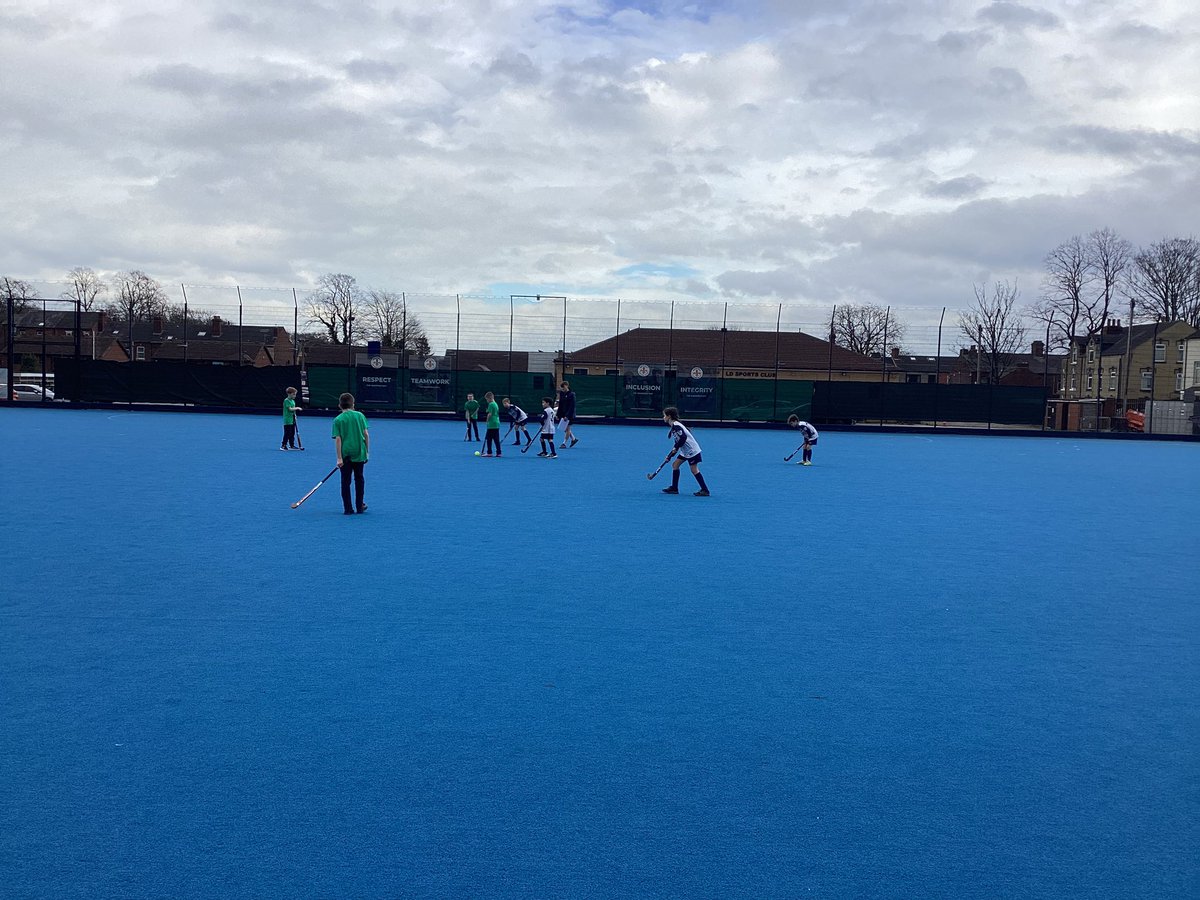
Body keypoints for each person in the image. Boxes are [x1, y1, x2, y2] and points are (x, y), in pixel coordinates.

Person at [332, 392, 370, 515]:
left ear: (340, 405)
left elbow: (338, 439)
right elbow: (366, 435)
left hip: (345, 455)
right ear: (353, 404)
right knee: (359, 479)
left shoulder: (338, 419)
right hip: (360, 452)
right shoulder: (360, 415)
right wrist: (367, 452)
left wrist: (339, 458)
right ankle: (360, 506)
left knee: (345, 481)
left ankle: (348, 508)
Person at [660, 406, 710, 496]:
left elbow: (683, 438)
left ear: (669, 416)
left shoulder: (676, 426)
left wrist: (675, 449)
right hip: (685, 451)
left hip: (692, 451)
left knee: (694, 470)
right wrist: (670, 455)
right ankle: (674, 488)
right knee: (675, 465)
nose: (663, 417)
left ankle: (705, 490)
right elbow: (678, 442)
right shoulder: (675, 425)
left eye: (664, 415)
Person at [556, 381, 578, 448]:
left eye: (563, 388)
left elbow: (572, 406)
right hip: (563, 413)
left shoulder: (572, 394)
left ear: (566, 386)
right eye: (562, 389)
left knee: (567, 428)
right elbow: (560, 405)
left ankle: (564, 443)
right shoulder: (562, 394)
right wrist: (558, 414)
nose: (563, 390)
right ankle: (573, 439)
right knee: (565, 428)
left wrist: (567, 416)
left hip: (569, 414)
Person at [280, 386, 302, 450]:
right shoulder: (286, 401)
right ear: (289, 394)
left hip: (292, 419)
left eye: (295, 394)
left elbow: (293, 410)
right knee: (287, 433)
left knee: (292, 433)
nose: (295, 396)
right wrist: (297, 408)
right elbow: (290, 409)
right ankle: (283, 445)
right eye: (293, 394)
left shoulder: (293, 401)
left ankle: (291, 445)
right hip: (287, 420)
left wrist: (295, 415)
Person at [481, 391, 502, 457]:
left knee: (489, 438)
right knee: (496, 439)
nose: (487, 401)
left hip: (492, 423)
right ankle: (499, 453)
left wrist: (487, 421)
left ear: (490, 398)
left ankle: (489, 452)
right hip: (496, 422)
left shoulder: (491, 404)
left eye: (487, 399)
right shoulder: (496, 404)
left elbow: (489, 414)